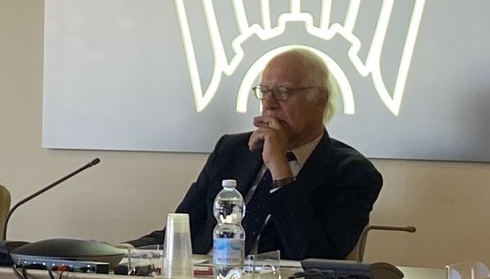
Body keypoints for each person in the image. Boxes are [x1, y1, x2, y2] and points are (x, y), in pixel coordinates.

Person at [129, 47, 382, 261]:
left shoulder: (354, 174)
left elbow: (316, 259)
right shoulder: (231, 150)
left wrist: (280, 169)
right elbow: (179, 232)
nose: (269, 104)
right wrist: (120, 251)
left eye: (283, 92)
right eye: (264, 91)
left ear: (319, 99)